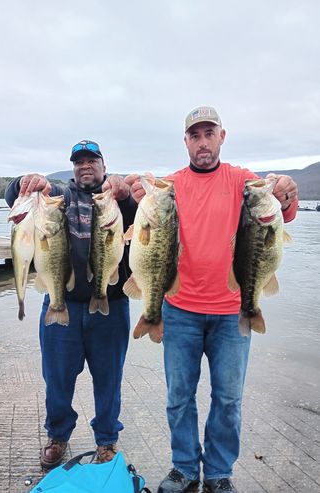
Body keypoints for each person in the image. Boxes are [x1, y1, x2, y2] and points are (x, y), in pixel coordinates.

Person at [125, 107, 298, 493]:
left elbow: (277, 211)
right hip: (180, 309)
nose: (202, 142)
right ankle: (184, 468)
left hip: (231, 313)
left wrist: (286, 191)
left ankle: (219, 472)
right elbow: (143, 206)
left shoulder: (242, 180)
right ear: (185, 141)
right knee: (179, 398)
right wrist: (136, 189)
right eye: (194, 135)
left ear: (222, 137)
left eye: (209, 134)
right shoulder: (170, 186)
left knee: (229, 399)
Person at [5, 140, 137, 469]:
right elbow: (13, 198)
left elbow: (144, 216)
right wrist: (24, 182)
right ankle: (58, 435)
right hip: (63, 302)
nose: (85, 166)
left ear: (104, 166)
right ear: (73, 169)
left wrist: (127, 195)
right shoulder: (60, 197)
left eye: (92, 160)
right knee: (57, 378)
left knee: (109, 378)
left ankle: (106, 441)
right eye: (79, 162)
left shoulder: (119, 201)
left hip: (111, 304)